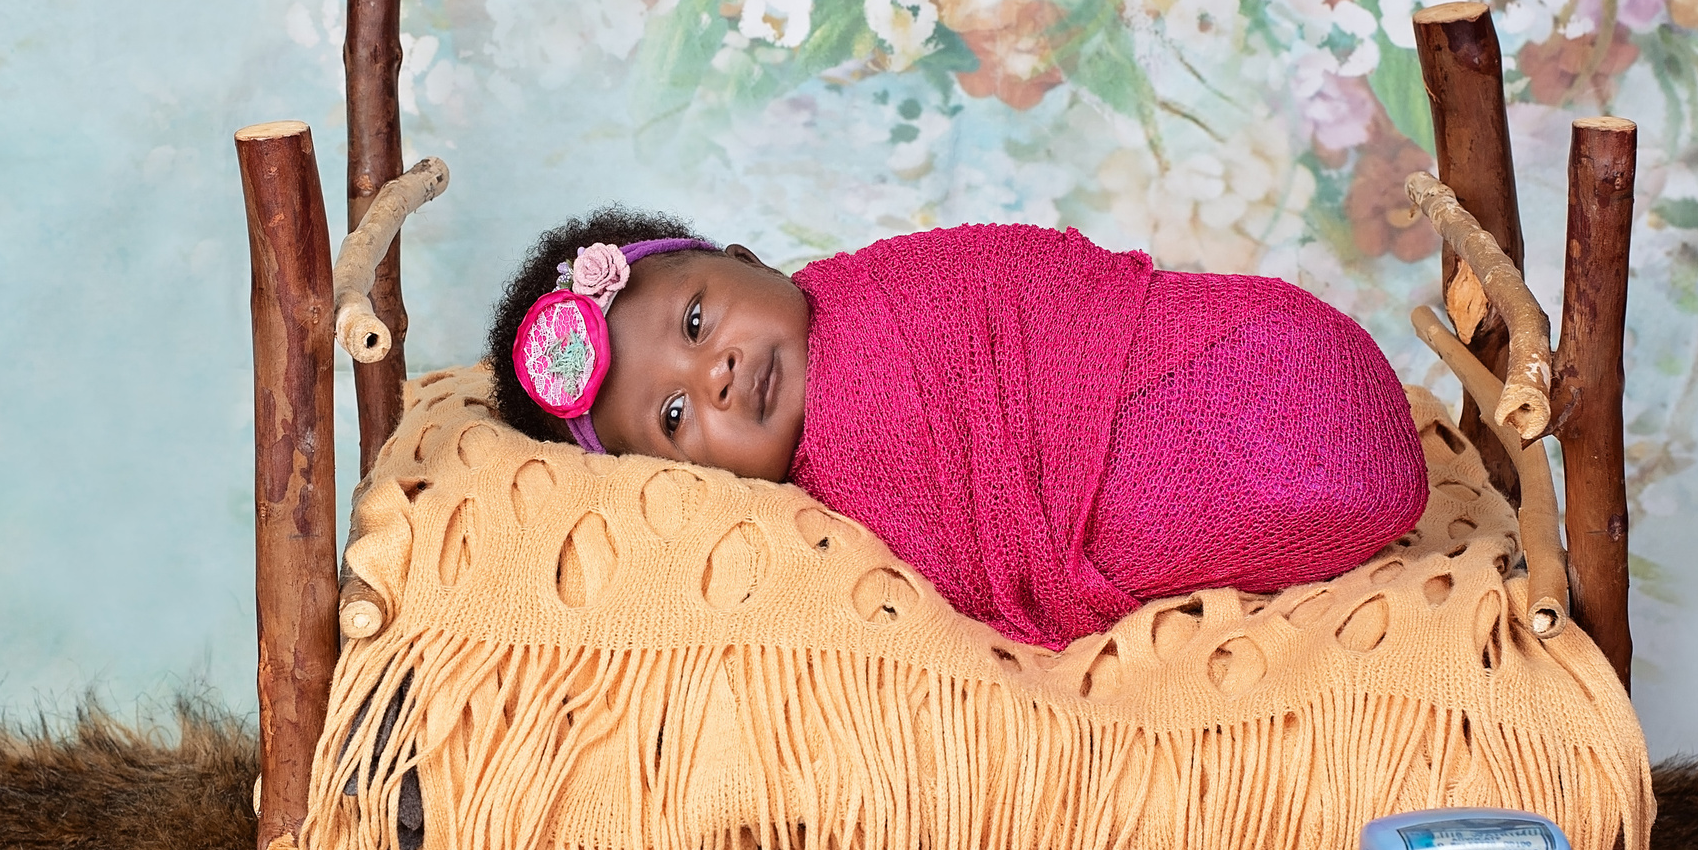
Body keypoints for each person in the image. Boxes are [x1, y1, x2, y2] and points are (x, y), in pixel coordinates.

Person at [484, 206, 1427, 651]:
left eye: (697, 321)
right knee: (1283, 479)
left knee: (1231, 377)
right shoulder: (808, 528)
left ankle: (1301, 434)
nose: (716, 374)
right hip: (1163, 486)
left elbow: (1036, 284)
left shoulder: (885, 282)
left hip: (1239, 343)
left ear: (748, 258)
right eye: (676, 415)